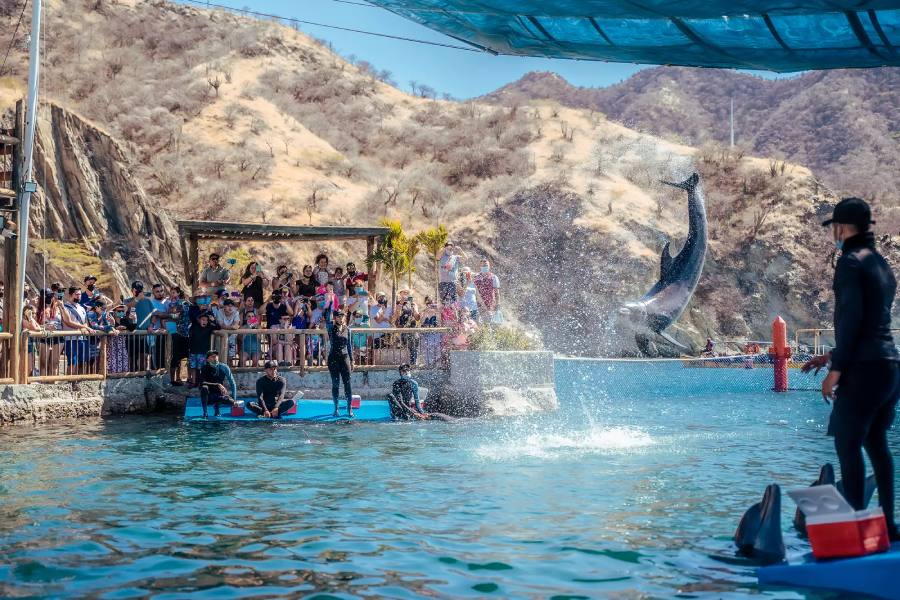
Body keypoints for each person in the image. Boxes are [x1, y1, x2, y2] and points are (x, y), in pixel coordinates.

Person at [802, 197, 900, 542]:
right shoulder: (880, 263)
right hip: (890, 367)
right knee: (876, 444)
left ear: (842, 228)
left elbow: (853, 320)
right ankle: (889, 526)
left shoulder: (849, 262)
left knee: (847, 443)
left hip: (864, 369)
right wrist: (831, 356)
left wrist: (837, 370)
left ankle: (859, 531)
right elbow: (872, 324)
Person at [326, 310, 354, 417]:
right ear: (335, 318)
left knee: (348, 384)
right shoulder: (330, 328)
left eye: (342, 316)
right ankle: (336, 408)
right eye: (338, 316)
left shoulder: (348, 330)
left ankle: (349, 408)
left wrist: (352, 360)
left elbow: (349, 346)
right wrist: (330, 301)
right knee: (336, 384)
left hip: (345, 358)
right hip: (333, 359)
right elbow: (327, 317)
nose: (341, 318)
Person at [198, 350, 237, 418]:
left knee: (231, 402)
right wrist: (217, 384)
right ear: (208, 359)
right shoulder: (204, 368)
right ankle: (205, 412)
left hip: (219, 393)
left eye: (216, 356)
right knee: (204, 388)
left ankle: (217, 408)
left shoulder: (224, 367)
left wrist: (234, 399)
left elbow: (232, 382)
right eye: (212, 356)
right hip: (209, 395)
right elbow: (201, 382)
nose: (215, 357)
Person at [188, 311, 219, 387]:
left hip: (203, 352)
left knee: (202, 368)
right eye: (203, 319)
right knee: (193, 367)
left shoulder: (209, 327)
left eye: (206, 320)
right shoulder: (193, 327)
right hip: (193, 351)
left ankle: (201, 382)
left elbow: (218, 327)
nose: (205, 321)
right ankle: (193, 382)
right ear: (199, 320)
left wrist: (213, 320)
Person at [473, 258, 501, 323]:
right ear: (480, 267)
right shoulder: (476, 277)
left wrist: (498, 304)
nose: (484, 267)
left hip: (489, 304)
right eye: (483, 266)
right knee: (477, 323)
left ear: (489, 266)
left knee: (488, 323)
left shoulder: (494, 277)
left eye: (486, 265)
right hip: (477, 304)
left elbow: (497, 293)